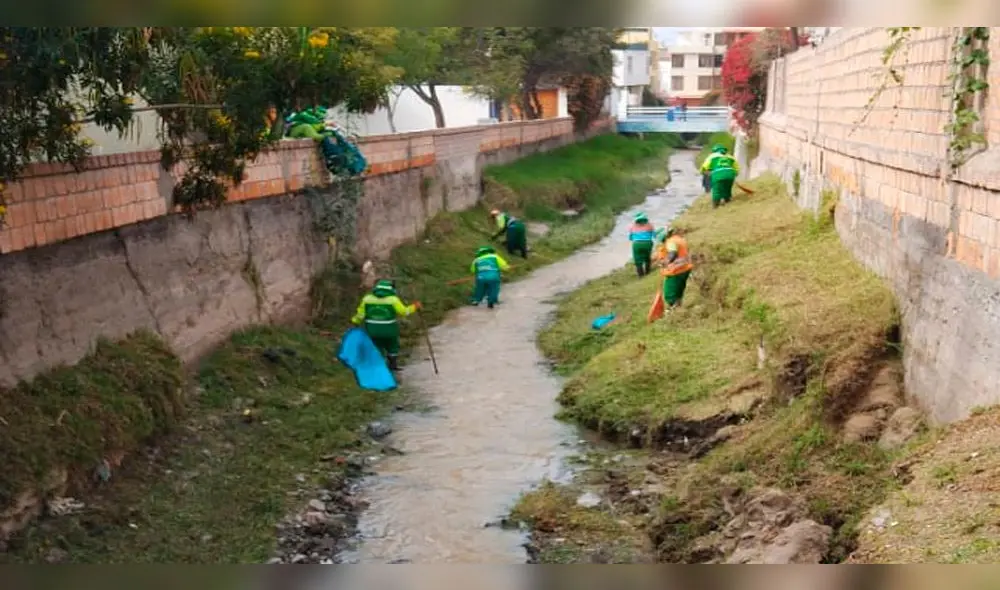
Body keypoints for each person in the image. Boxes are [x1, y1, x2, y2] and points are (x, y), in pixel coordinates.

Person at [351, 279, 420, 371]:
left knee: (376, 346)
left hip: (372, 329)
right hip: (389, 330)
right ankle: (392, 365)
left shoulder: (367, 299)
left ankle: (376, 366)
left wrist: (355, 321)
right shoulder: (393, 300)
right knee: (392, 346)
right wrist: (415, 306)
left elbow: (360, 314)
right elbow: (404, 312)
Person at [654, 228, 694, 309]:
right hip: (685, 268)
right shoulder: (678, 239)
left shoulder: (670, 242)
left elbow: (673, 253)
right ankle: (678, 307)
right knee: (678, 291)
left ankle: (673, 309)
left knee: (670, 294)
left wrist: (665, 262)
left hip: (676, 271)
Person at [699, 144, 740, 208]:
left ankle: (716, 205)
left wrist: (702, 172)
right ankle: (727, 200)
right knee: (727, 188)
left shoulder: (712, 156)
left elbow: (705, 166)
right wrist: (735, 174)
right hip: (730, 174)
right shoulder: (730, 157)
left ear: (714, 151)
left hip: (718, 174)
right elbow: (736, 167)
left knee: (717, 189)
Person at [628, 212, 656, 277]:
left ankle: (641, 275)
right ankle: (647, 272)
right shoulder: (650, 225)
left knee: (638, 260)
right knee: (647, 258)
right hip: (648, 243)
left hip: (637, 244)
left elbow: (630, 238)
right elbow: (654, 235)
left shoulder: (632, 226)